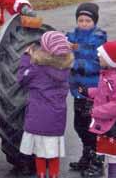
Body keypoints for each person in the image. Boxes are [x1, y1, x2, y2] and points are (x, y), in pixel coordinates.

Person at [18, 31, 74, 178]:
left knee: (40, 154)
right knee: (53, 153)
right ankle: (54, 175)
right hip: (56, 121)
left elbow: (21, 79)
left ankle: (41, 175)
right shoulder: (66, 70)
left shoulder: (37, 69)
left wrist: (26, 57)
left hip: (38, 119)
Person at [80, 41, 116, 178]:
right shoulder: (109, 75)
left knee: (113, 156)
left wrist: (94, 112)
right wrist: (88, 92)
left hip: (115, 125)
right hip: (113, 124)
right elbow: (103, 93)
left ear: (110, 61)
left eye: (101, 55)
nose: (98, 56)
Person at [66, 2, 107, 177]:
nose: (83, 23)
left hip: (92, 91)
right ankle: (87, 155)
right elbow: (64, 46)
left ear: (94, 22)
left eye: (87, 20)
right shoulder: (72, 36)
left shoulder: (98, 38)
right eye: (80, 20)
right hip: (78, 91)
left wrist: (75, 63)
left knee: (94, 127)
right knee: (79, 125)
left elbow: (97, 64)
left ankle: (97, 162)